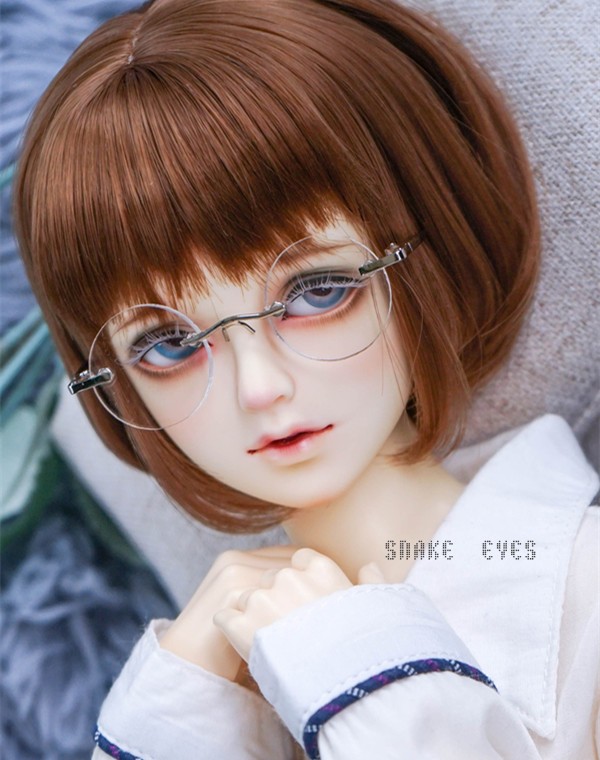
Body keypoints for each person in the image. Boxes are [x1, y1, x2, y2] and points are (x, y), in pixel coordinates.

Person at [13, 0, 599, 758]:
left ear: (427, 251)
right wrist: (175, 719)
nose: (259, 388)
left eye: (317, 292)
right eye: (168, 345)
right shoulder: (211, 674)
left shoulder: (582, 594)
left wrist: (366, 680)